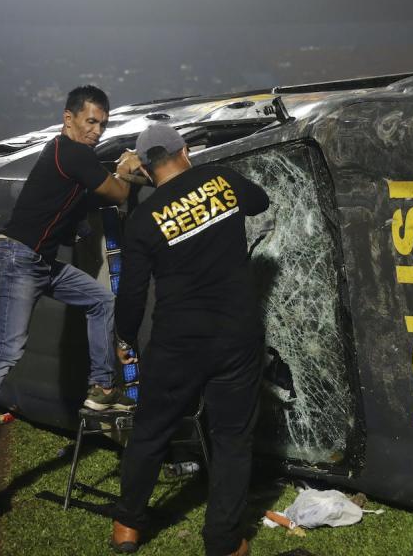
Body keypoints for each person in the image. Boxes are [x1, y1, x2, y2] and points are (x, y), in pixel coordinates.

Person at [0, 85, 141, 490]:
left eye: (102, 124)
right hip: (19, 259)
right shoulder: (71, 153)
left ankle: (103, 388)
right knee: (7, 349)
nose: (97, 131)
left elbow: (82, 205)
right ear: (68, 118)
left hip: (39, 262)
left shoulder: (69, 157)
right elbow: (119, 192)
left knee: (101, 301)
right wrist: (123, 171)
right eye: (90, 121)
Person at [110, 124, 269, 556]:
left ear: (143, 166)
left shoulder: (144, 219)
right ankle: (223, 541)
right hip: (236, 336)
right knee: (232, 439)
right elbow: (261, 201)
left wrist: (126, 337)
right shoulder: (219, 180)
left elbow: (132, 292)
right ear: (186, 150)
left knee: (151, 431)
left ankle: (127, 525)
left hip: (177, 343)